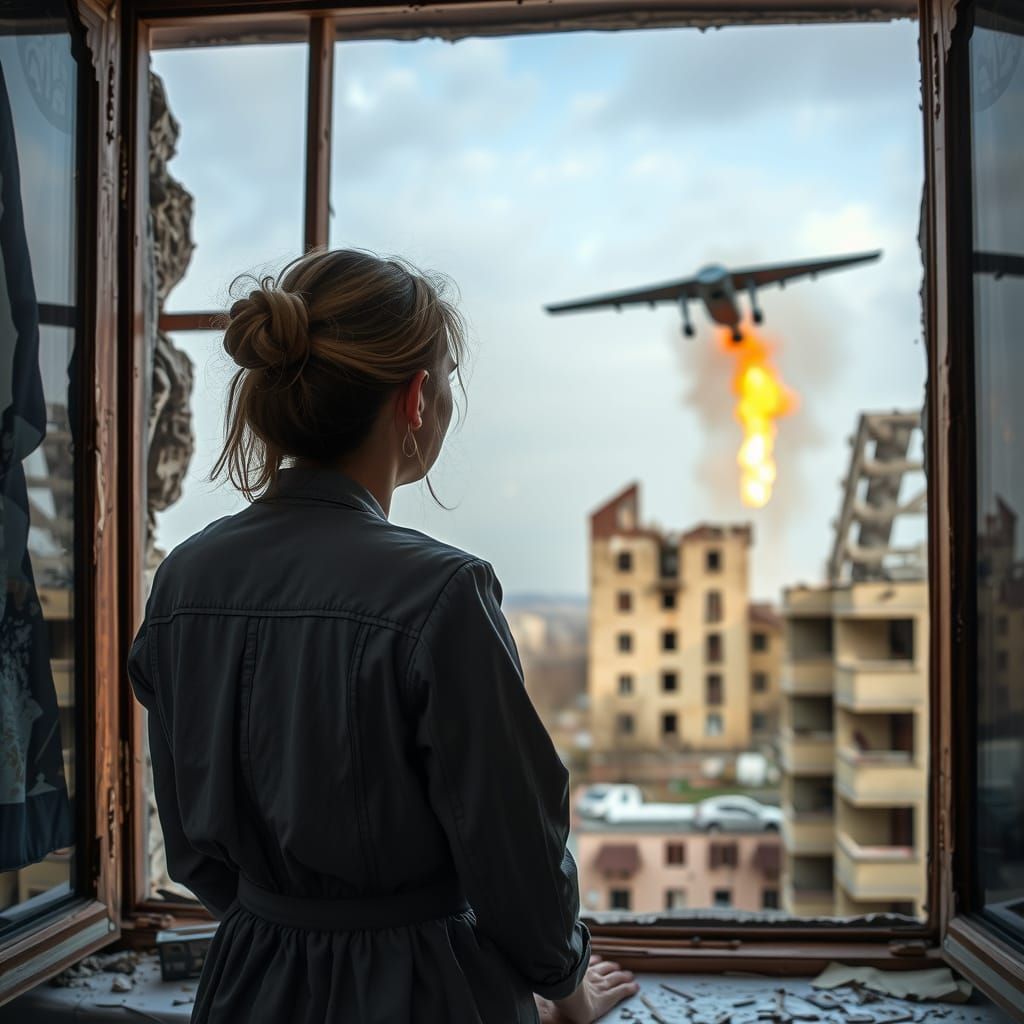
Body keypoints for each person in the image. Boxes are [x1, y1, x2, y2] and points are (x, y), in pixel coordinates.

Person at [127, 249, 640, 1023]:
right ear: (416, 401)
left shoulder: (183, 584)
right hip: (425, 994)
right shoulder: (442, 594)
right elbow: (517, 858)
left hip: (245, 988)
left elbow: (198, 850)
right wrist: (565, 993)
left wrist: (284, 929)